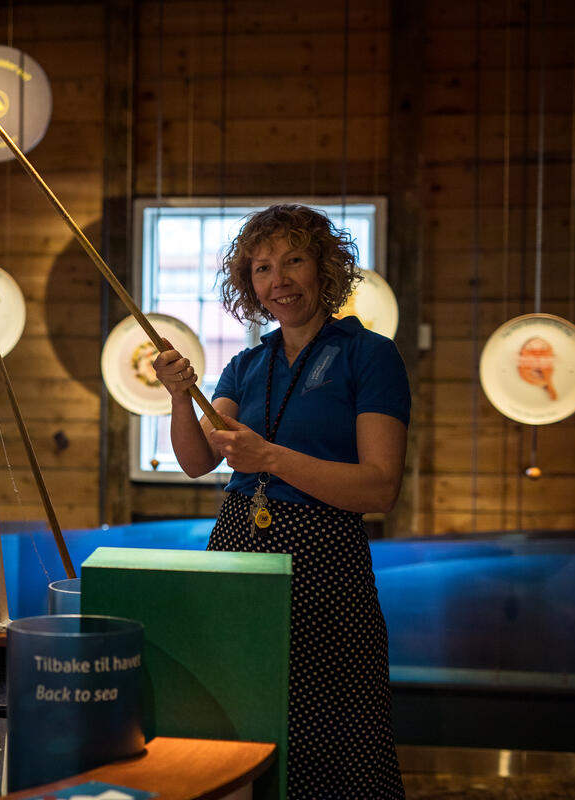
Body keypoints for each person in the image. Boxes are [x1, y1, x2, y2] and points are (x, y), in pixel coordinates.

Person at [152, 204, 409, 799]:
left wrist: (271, 458)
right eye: (263, 268)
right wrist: (178, 395)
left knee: (332, 735)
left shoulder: (369, 355)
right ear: (250, 285)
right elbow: (198, 460)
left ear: (325, 267)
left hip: (326, 566)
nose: (279, 280)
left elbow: (379, 487)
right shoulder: (248, 363)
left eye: (294, 260)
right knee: (237, 722)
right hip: (237, 558)